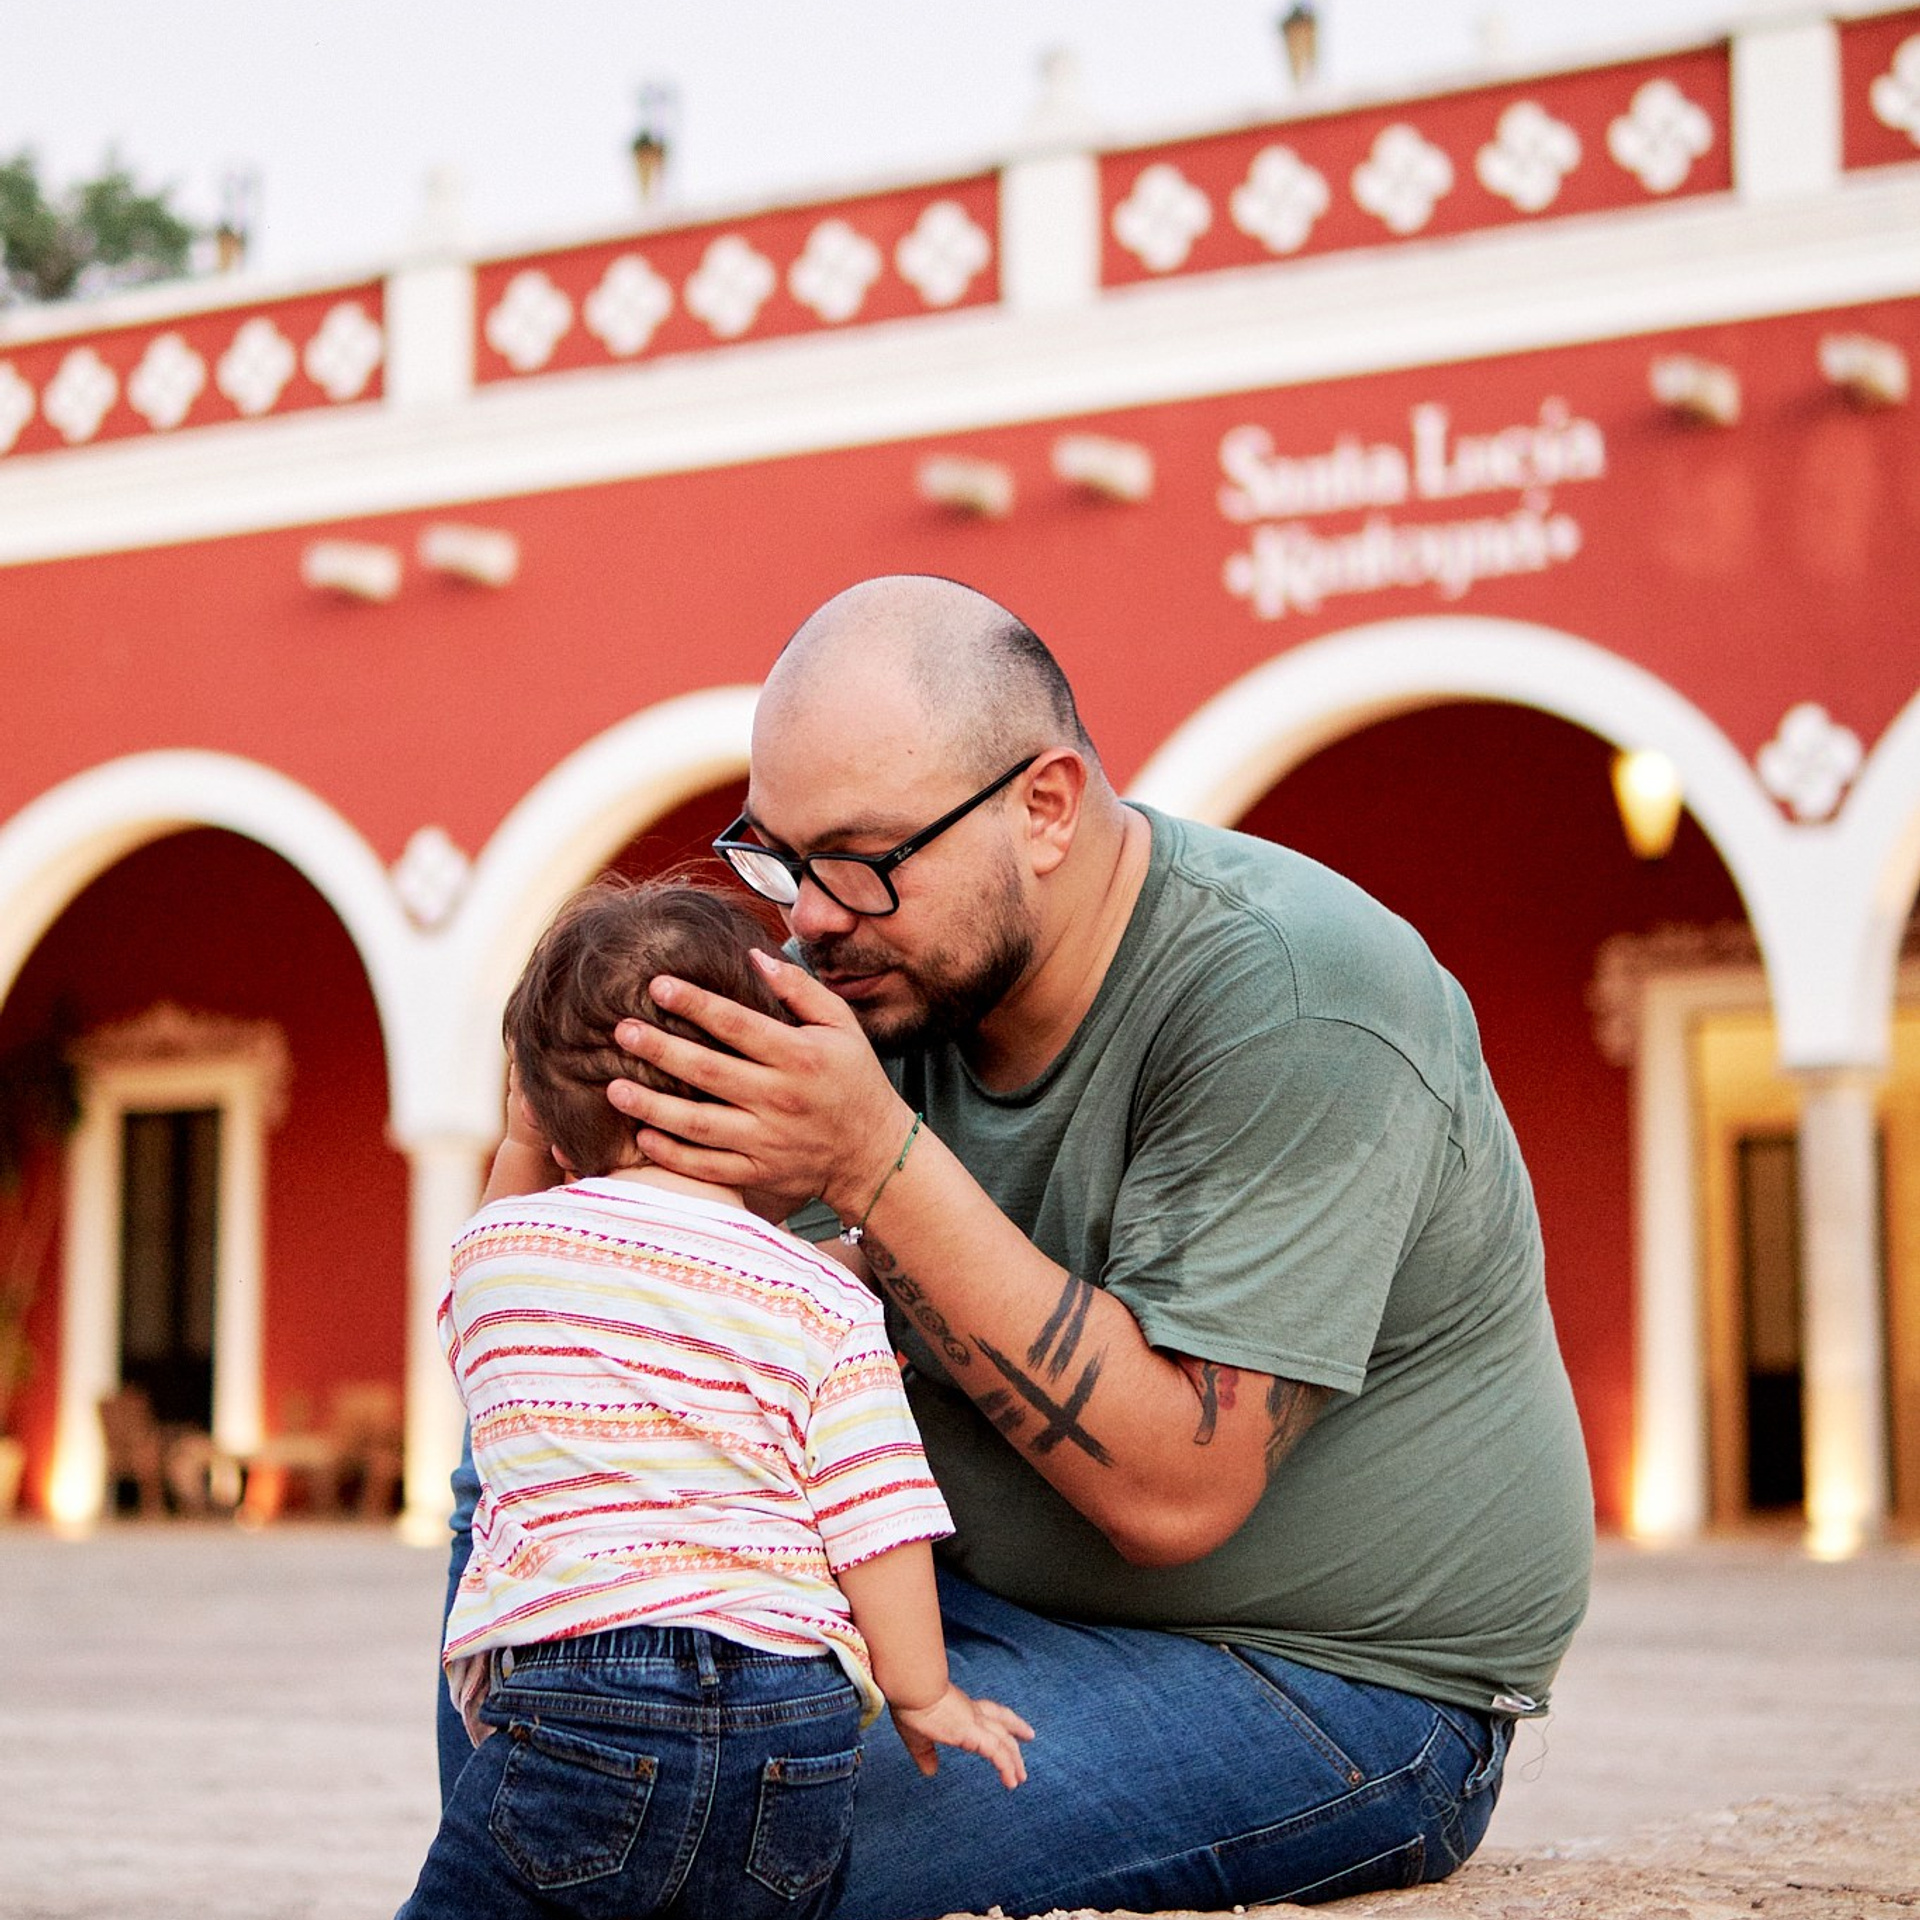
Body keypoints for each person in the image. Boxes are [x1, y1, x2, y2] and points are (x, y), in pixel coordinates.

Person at [590, 573, 1595, 1918]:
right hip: (957, 1613)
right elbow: (728, 1352)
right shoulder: (885, 982)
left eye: (862, 859)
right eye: (779, 857)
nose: (813, 916)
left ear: (1046, 806)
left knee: (728, 1841)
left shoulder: (1293, 993)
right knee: (574, 1684)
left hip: (1325, 1681)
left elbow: (1178, 1491)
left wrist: (873, 1162)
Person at [404, 879, 1031, 1920]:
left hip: (579, 1701)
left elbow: (495, 1230)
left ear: (549, 1112)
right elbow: (878, 1516)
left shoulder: (500, 1261)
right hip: (796, 1721)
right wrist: (922, 1692)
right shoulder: (821, 1293)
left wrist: (526, 1130)